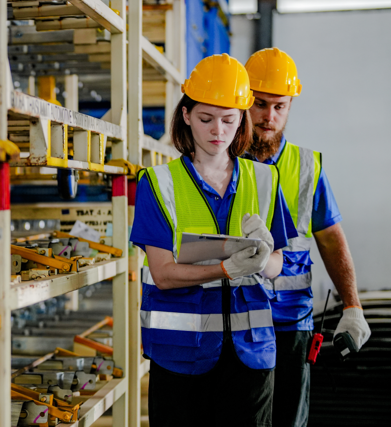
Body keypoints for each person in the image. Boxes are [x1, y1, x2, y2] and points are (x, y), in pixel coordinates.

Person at [130, 53, 299, 427]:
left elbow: (279, 265)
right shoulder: (157, 183)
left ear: (242, 120)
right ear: (186, 115)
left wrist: (264, 258)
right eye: (206, 119)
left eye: (228, 120)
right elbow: (162, 274)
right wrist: (226, 268)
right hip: (179, 358)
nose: (217, 131)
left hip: (251, 355)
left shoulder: (265, 180)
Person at [243, 47, 371, 427]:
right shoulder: (222, 161)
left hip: (290, 322)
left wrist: (353, 306)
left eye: (279, 106)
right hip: (234, 319)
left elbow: (331, 239)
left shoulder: (307, 166)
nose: (269, 117)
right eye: (260, 104)